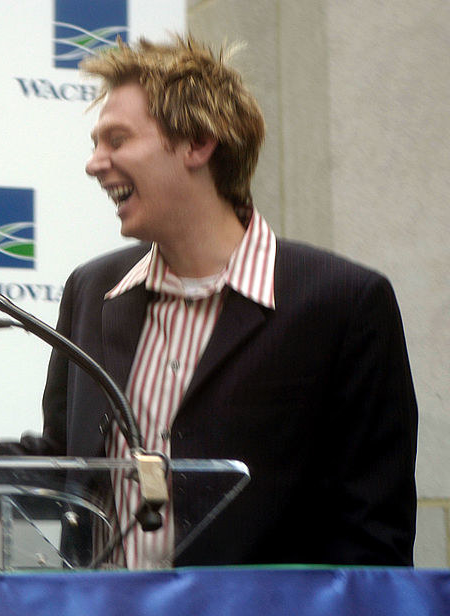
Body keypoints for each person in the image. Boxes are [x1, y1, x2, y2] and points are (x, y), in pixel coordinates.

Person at [22, 35, 417, 567]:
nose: (95, 164)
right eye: (97, 144)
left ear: (198, 142)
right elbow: (58, 466)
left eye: (116, 139)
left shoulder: (342, 303)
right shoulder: (92, 290)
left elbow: (372, 537)